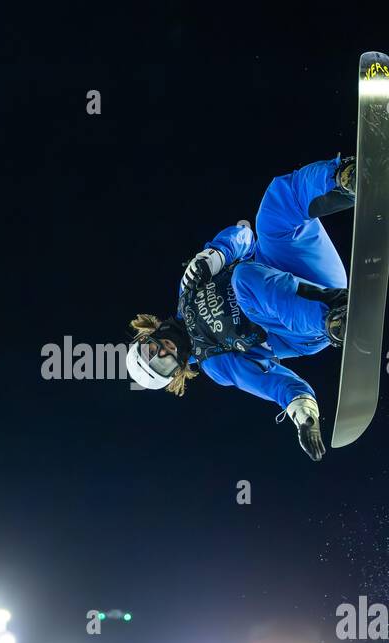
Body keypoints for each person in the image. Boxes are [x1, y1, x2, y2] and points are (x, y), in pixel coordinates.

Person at [126, 156, 357, 461]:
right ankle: (334, 316)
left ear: (147, 337)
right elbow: (270, 380)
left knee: (275, 205)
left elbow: (245, 238)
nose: (164, 352)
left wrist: (216, 254)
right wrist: (303, 412)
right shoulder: (214, 362)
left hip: (301, 270)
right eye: (163, 365)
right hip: (305, 326)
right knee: (245, 279)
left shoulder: (187, 290)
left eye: (151, 351)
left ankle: (344, 180)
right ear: (177, 372)